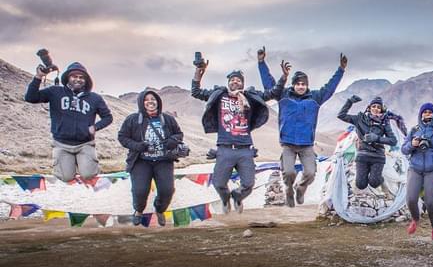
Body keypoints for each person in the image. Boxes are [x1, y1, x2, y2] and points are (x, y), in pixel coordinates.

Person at [192, 60, 288, 213]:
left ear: (242, 84)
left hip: (245, 148)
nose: (235, 82)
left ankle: (237, 197)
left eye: (238, 80)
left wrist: (283, 77)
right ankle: (225, 199)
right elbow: (196, 92)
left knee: (248, 184)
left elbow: (273, 93)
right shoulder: (219, 94)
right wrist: (199, 72)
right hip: (224, 148)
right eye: (232, 80)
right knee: (218, 183)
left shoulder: (250, 96)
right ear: (228, 83)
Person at [258, 47, 346, 207]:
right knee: (289, 172)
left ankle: (301, 187)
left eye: (303, 84)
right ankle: (289, 190)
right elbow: (269, 84)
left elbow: (330, 87)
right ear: (293, 85)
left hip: (307, 145)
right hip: (288, 144)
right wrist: (261, 63)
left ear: (307, 85)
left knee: (311, 173)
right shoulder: (283, 95)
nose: (300, 86)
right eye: (298, 84)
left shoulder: (316, 98)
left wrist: (341, 70)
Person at [24, 62, 112, 182]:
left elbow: (108, 117)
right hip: (61, 144)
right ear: (67, 78)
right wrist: (38, 77)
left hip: (85, 144)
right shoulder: (55, 92)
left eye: (81, 77)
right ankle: (66, 165)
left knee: (88, 175)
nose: (78, 79)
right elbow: (30, 98)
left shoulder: (95, 98)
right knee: (66, 177)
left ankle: (86, 164)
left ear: (86, 80)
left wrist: (95, 127)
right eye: (74, 76)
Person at [118, 90, 184, 226]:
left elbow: (179, 133)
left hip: (163, 160)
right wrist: (137, 146)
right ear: (142, 103)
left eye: (153, 99)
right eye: (146, 99)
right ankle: (138, 210)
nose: (150, 102)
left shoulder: (167, 118)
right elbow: (122, 137)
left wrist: (172, 140)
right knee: (140, 190)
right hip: (141, 161)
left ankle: (160, 209)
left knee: (167, 190)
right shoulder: (132, 119)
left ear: (158, 102)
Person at [401, 103, 433, 241]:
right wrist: (412, 144)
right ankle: (415, 220)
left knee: (430, 201)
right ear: (420, 114)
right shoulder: (414, 130)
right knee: (411, 199)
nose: (427, 114)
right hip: (415, 168)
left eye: (430, 112)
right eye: (425, 112)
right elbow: (404, 149)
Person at [337, 95, 398, 190]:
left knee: (374, 183)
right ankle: (370, 175)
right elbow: (341, 115)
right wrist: (350, 102)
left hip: (378, 156)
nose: (376, 109)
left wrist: (377, 138)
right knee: (361, 185)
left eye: (378, 107)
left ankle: (379, 178)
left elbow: (393, 141)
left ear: (381, 110)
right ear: (369, 108)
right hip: (363, 155)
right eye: (374, 106)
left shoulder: (385, 123)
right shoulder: (359, 119)